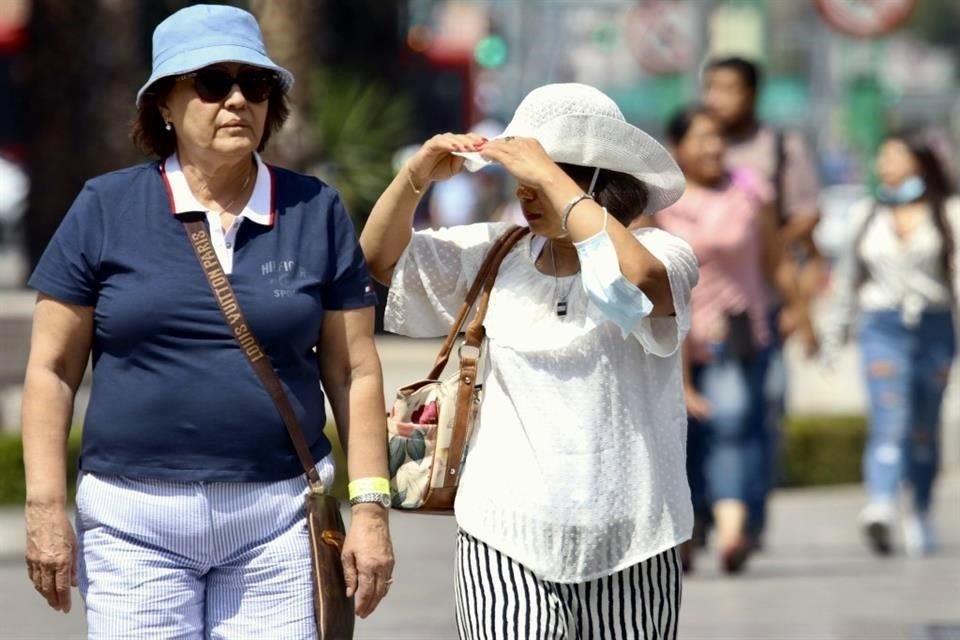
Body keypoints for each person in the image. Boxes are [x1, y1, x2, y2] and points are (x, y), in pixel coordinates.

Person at [21, 5, 393, 637]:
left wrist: (371, 509)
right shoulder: (105, 208)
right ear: (165, 104)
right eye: (214, 83)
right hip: (133, 523)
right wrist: (45, 506)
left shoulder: (315, 209)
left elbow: (356, 370)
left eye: (256, 85)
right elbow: (52, 370)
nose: (238, 100)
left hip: (277, 524)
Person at [361, 83, 697, 640]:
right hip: (503, 532)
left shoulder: (664, 252)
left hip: (635, 537)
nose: (527, 189)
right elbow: (379, 260)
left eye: (545, 171)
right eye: (522, 175)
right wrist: (415, 176)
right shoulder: (498, 254)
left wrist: (551, 176)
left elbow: (637, 282)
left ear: (593, 177)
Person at [655, 105, 780, 574]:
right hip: (674, 336)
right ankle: (683, 535)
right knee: (679, 435)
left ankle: (731, 532)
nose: (713, 146)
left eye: (718, 137)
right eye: (702, 137)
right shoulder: (661, 202)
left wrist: (799, 312)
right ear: (678, 147)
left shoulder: (749, 191)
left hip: (738, 330)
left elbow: (774, 256)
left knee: (731, 425)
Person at [703, 56, 823, 544]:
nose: (719, 99)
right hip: (704, 302)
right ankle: (712, 507)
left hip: (762, 300)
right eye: (712, 88)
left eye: (730, 89)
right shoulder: (693, 139)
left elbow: (808, 214)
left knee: (757, 409)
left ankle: (747, 512)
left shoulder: (777, 148)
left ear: (752, 94)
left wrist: (754, 234)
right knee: (710, 412)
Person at [823, 132, 958, 557]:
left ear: (920, 162)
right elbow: (846, 278)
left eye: (895, 156)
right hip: (882, 325)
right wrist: (835, 332)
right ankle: (881, 504)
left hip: (934, 326)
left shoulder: (949, 214)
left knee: (923, 428)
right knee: (889, 416)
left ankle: (919, 509)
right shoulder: (867, 213)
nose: (886, 164)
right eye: (881, 156)